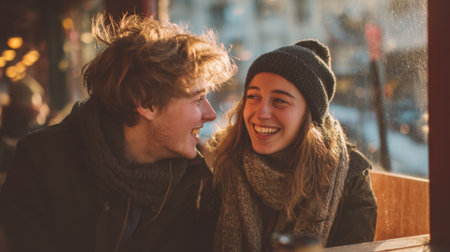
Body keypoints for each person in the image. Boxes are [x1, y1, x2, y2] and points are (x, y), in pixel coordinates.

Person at [0, 13, 235, 252]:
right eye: (197, 99)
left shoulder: (195, 180)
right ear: (146, 102)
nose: (210, 114)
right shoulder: (42, 161)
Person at [207, 39, 377, 251]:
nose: (261, 113)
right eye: (253, 97)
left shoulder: (350, 180)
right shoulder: (222, 165)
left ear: (311, 116)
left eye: (279, 100)